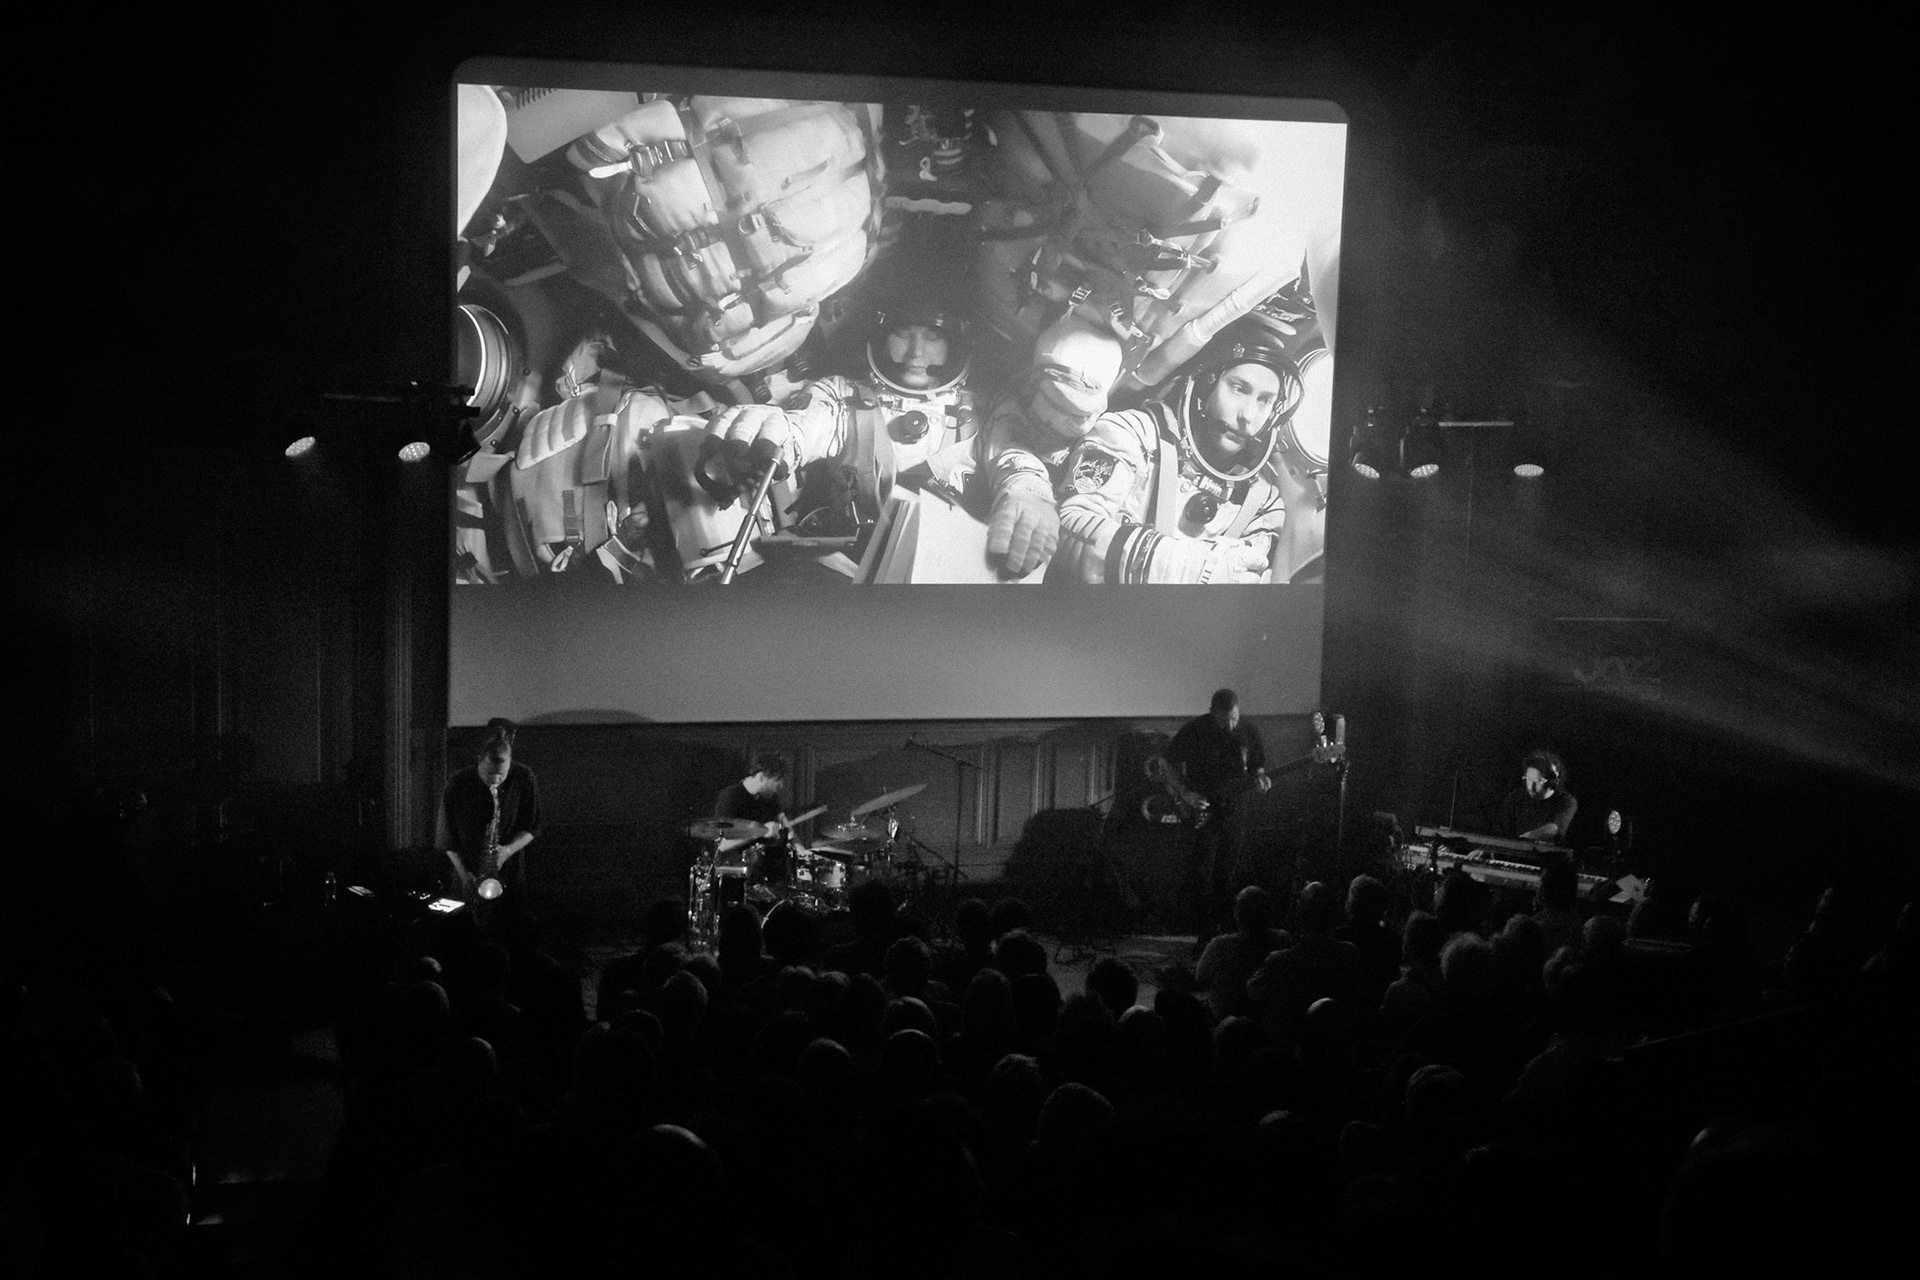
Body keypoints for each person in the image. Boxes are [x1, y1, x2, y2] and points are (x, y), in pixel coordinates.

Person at [1047, 312, 1311, 583]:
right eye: (1239, 389)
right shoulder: (1131, 435)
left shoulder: (1262, 503)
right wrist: (1187, 568)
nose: (1248, 417)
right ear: (1204, 386)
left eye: (1265, 401)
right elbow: (1069, 525)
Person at [1165, 689, 1272, 943]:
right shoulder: (1195, 730)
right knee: (1203, 874)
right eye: (1226, 720)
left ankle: (1226, 935)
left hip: (1236, 811)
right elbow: (1168, 763)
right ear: (1214, 713)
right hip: (1203, 811)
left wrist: (1261, 779)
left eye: (1235, 718)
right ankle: (1205, 936)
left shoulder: (1248, 730)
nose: (1231, 725)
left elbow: (1258, 764)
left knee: (1228, 874)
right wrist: (1185, 793)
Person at [438, 718, 542, 912]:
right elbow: (447, 838)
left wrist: (508, 850)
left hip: (509, 874)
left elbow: (532, 826)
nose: (495, 781)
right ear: (479, 759)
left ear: (511, 762)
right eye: (488, 774)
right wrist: (465, 877)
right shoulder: (457, 783)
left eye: (502, 776)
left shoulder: (524, 778)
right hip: (466, 872)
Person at [1496, 751, 1577, 843]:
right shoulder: (1515, 798)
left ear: (1552, 782)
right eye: (1528, 779)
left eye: (1538, 781)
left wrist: (1524, 839)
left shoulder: (1566, 801)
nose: (1531, 786)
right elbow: (1501, 830)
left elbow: (1555, 828)